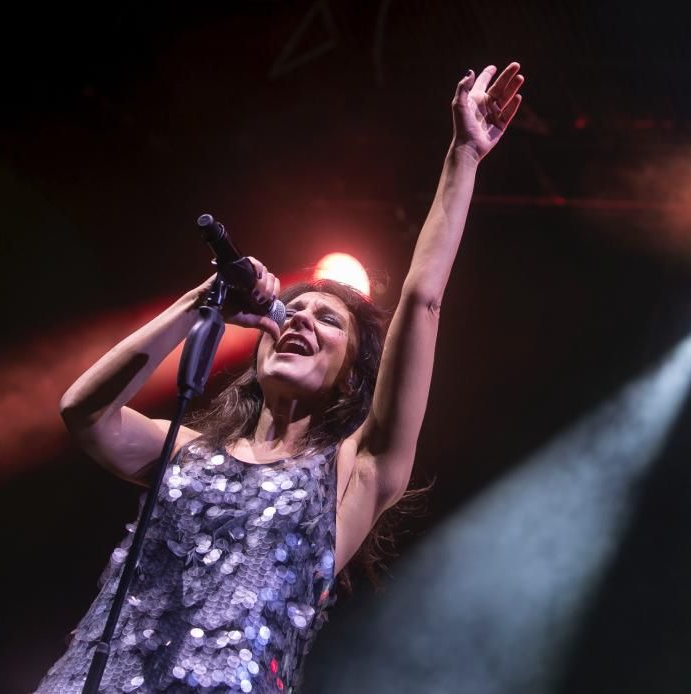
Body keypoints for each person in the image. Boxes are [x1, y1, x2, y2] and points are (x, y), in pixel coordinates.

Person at [36, 61, 524, 694]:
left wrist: (464, 156)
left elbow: (422, 300)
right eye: (291, 312)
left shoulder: (357, 471)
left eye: (329, 322)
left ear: (353, 376)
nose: (300, 321)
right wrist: (202, 302)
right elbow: (84, 412)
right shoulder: (186, 450)